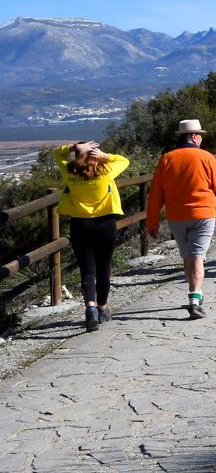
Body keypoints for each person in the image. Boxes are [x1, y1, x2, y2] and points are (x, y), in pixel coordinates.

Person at [146, 119, 216, 320]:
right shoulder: (206, 157)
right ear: (195, 137)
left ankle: (195, 292)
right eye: (200, 135)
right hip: (203, 214)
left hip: (177, 216)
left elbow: (155, 195)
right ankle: (194, 299)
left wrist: (152, 223)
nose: (202, 138)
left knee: (188, 255)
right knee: (196, 254)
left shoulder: (166, 159)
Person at [54, 141, 130, 331]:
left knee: (87, 270)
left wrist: (73, 147)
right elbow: (123, 160)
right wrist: (104, 156)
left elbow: (57, 154)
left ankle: (90, 308)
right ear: (94, 155)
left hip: (80, 224)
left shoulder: (69, 172)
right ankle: (103, 308)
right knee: (104, 267)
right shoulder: (105, 171)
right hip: (105, 224)